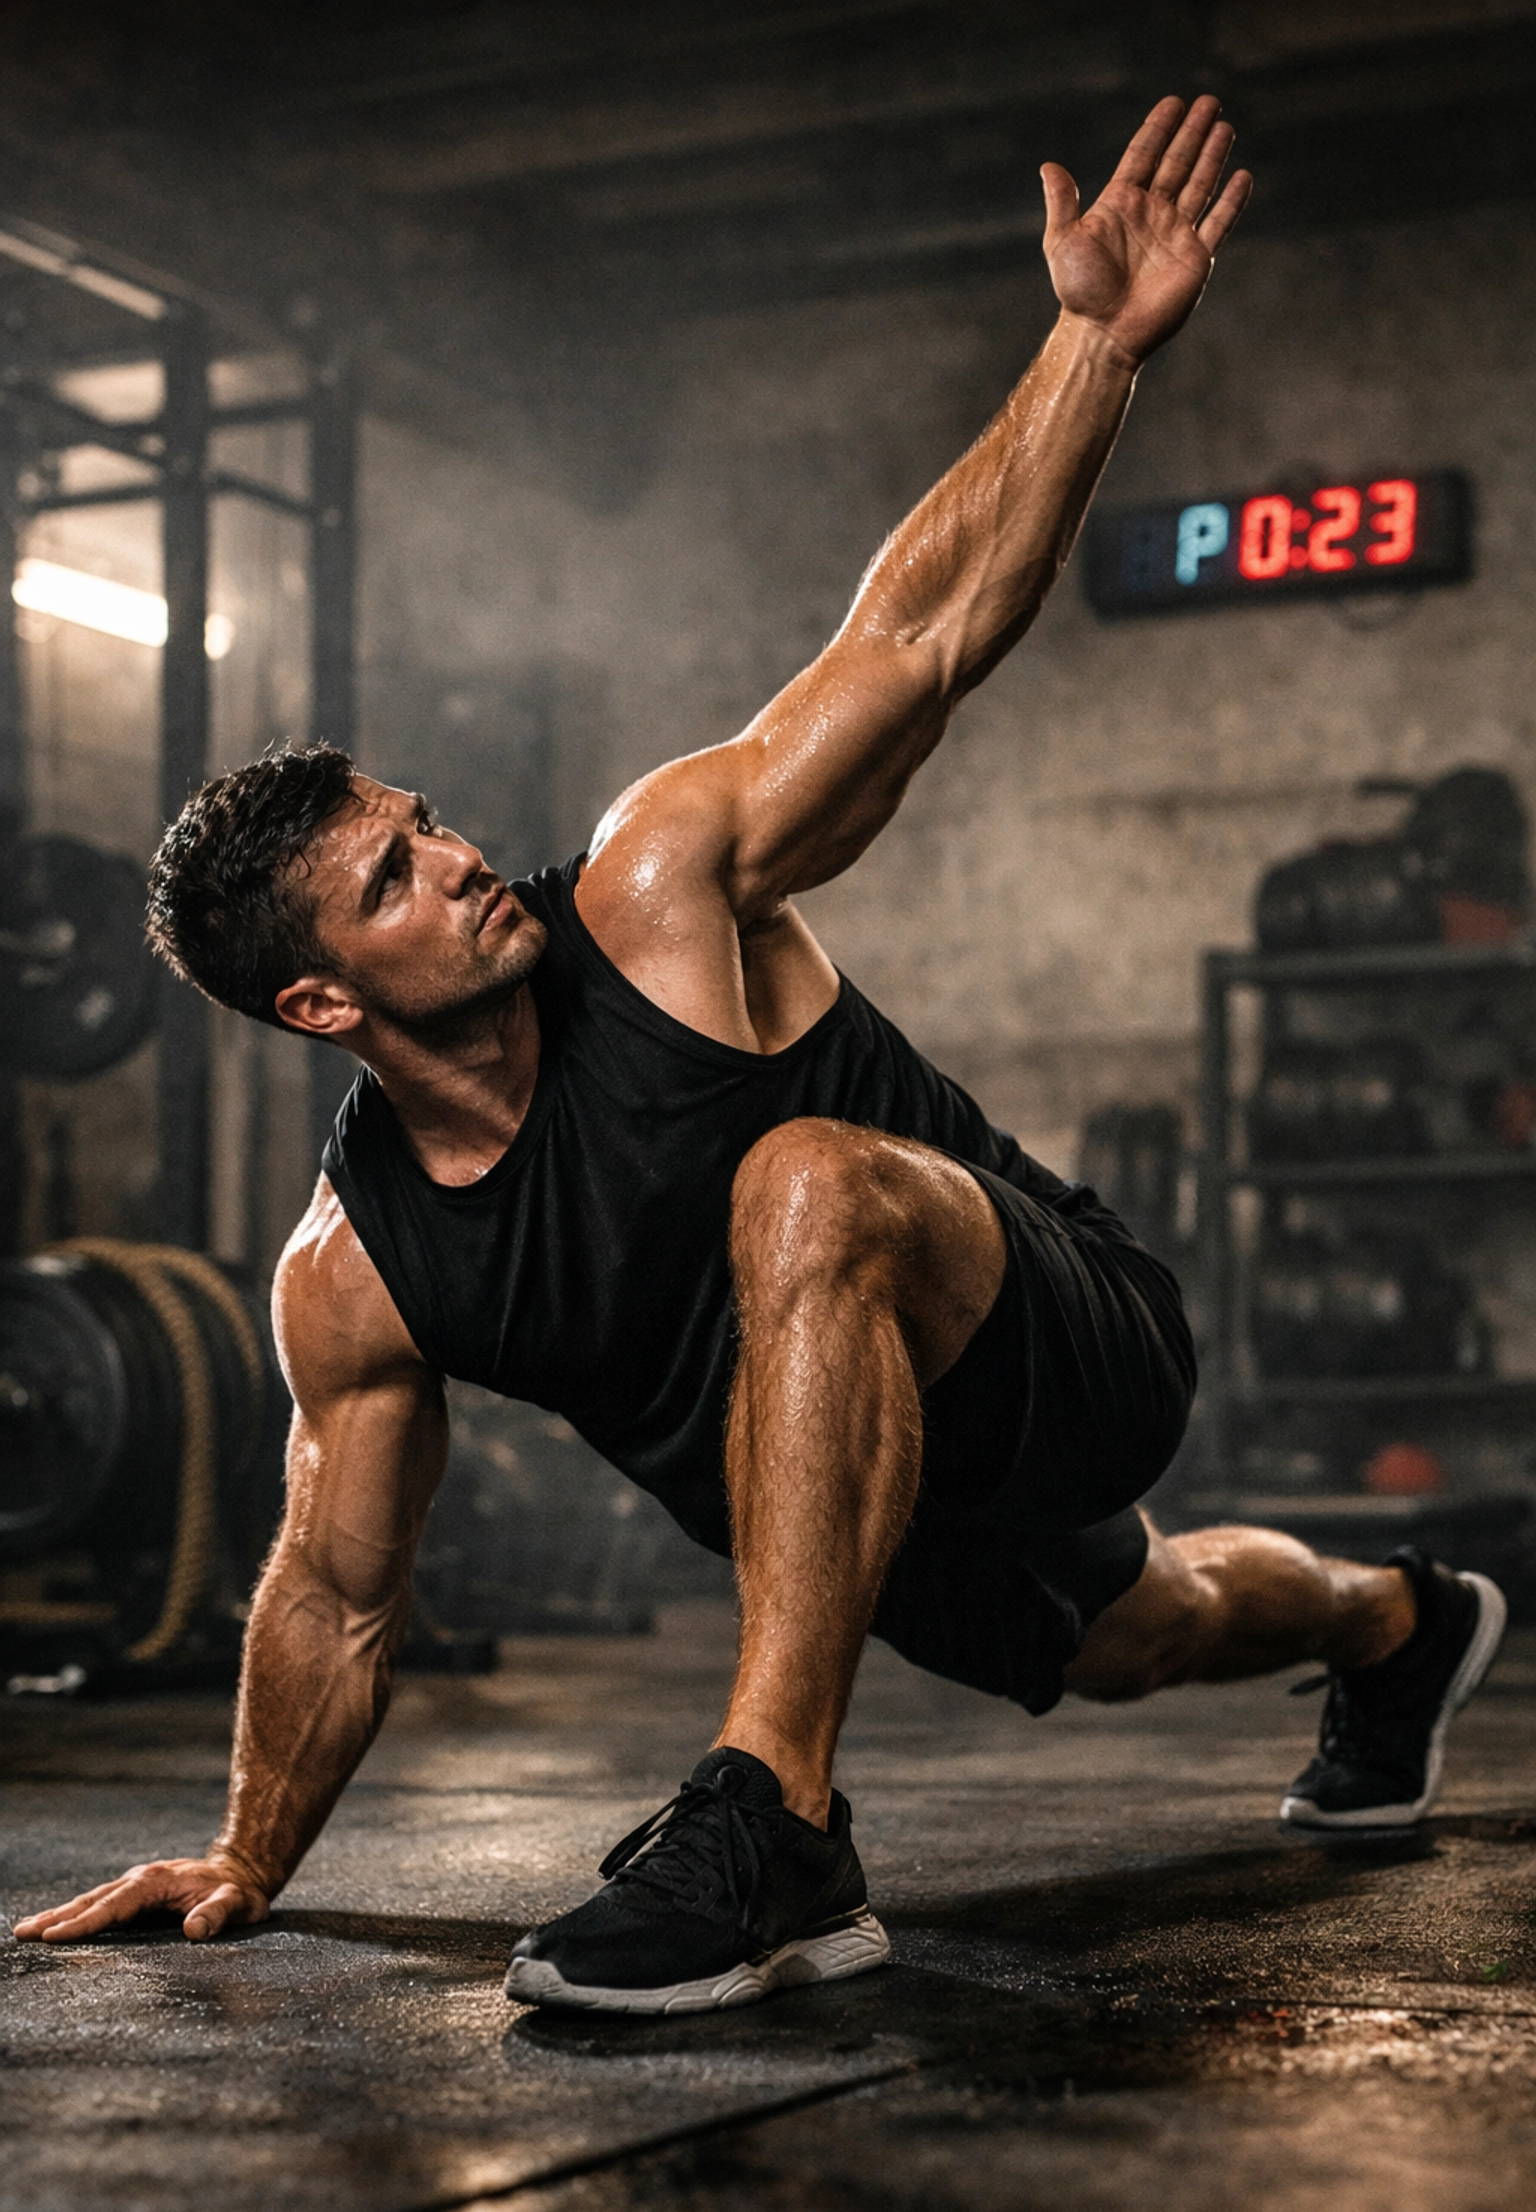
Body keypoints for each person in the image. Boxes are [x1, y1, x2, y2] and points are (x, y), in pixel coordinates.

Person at [15, 98, 1505, 2017]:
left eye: (430, 817)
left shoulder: (651, 894)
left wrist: (1095, 347)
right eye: (396, 874)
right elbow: (333, 1590)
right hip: (851, 1486)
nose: (461, 855)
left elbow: (922, 632)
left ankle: (776, 1829)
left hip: (1055, 1324)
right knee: (1146, 1625)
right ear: (323, 1003)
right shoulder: (358, 1264)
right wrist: (244, 1855)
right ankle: (1404, 1624)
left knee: (795, 1175)